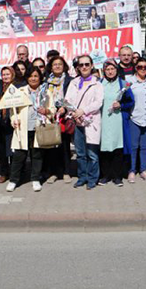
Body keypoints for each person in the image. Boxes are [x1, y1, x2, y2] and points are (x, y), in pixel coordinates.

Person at [64, 55, 105, 190]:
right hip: (77, 122)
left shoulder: (97, 84)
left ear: (92, 65)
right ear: (78, 67)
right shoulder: (74, 83)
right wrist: (74, 113)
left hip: (91, 122)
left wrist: (83, 111)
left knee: (92, 154)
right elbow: (67, 100)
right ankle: (83, 177)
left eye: (87, 64)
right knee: (80, 153)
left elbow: (98, 102)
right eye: (81, 65)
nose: (84, 67)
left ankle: (93, 178)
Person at [7, 67, 50, 192]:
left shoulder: (46, 92)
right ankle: (13, 180)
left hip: (39, 128)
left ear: (40, 78)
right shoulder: (20, 91)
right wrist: (14, 120)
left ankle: (35, 179)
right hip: (22, 128)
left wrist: (46, 111)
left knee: (37, 155)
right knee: (18, 156)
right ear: (27, 78)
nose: (33, 78)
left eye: (36, 76)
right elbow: (13, 110)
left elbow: (52, 109)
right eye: (31, 76)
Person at [98, 61, 132, 186]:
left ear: (117, 70)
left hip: (118, 120)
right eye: (107, 69)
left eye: (112, 69)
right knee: (105, 148)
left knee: (118, 148)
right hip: (103, 120)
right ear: (104, 71)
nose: (110, 71)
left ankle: (117, 176)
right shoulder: (99, 84)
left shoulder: (123, 84)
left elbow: (130, 101)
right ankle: (105, 175)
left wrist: (121, 105)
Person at [42, 56, 73, 184]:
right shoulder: (46, 81)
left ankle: (66, 172)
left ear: (64, 66)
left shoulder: (70, 80)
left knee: (65, 146)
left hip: (64, 116)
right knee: (51, 146)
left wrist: (65, 109)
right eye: (55, 64)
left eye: (60, 64)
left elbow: (72, 97)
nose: (57, 66)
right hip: (50, 116)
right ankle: (53, 172)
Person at [126, 57, 146, 183]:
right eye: (140, 67)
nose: (143, 69)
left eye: (145, 67)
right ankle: (132, 171)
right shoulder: (129, 81)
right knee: (133, 146)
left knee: (145, 146)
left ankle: (143, 170)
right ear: (135, 68)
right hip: (135, 117)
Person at [0, 66, 16, 183]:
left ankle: (13, 173)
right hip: (0, 122)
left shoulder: (16, 87)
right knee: (2, 150)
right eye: (3, 75)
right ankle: (3, 172)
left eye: (8, 74)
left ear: (12, 75)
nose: (5, 77)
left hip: (12, 122)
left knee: (12, 150)